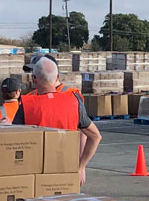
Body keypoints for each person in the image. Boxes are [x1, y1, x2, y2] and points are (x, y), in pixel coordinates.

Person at [12, 57, 101, 185]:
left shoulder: (27, 104)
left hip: (37, 173)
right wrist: (81, 167)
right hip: (67, 169)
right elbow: (95, 136)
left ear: (34, 79)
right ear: (57, 77)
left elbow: (13, 139)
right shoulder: (74, 100)